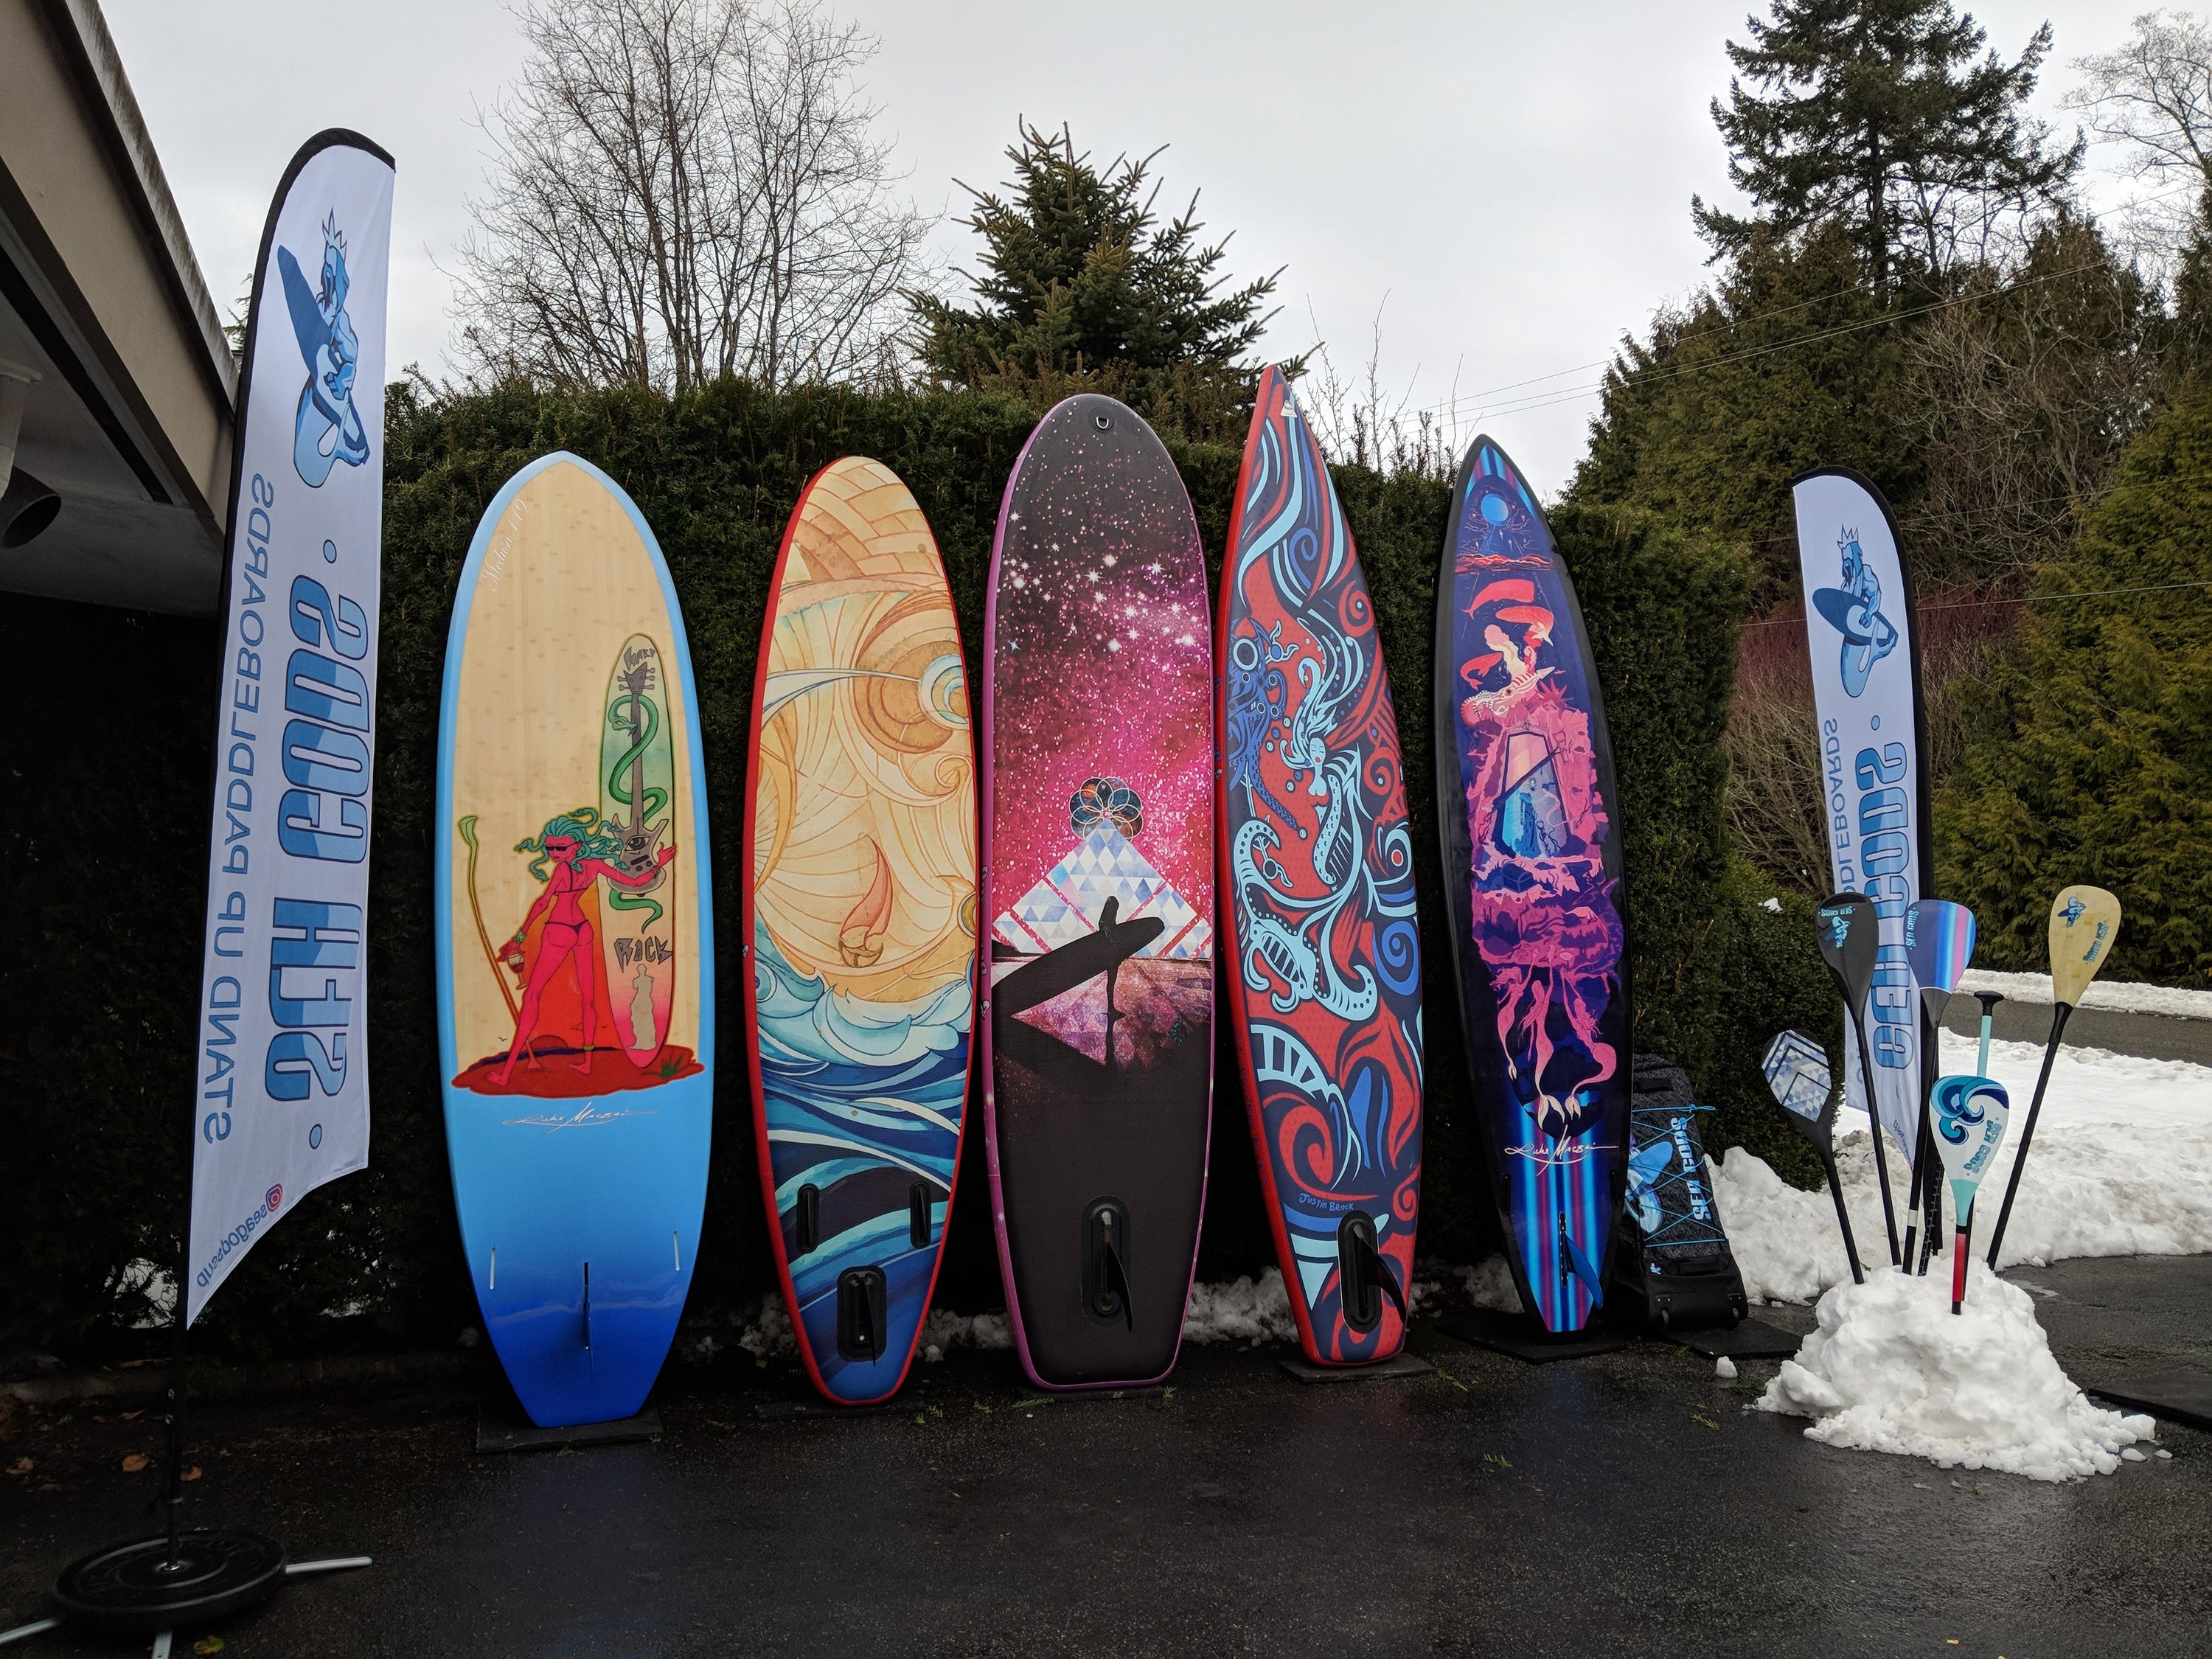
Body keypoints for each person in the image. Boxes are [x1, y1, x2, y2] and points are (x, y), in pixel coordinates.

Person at [496, 808, 673, 1085]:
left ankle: (506, 1073)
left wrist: (519, 937)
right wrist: (658, 863)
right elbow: (636, 882)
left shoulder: (563, 870)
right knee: (587, 999)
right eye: (550, 847)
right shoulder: (594, 865)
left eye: (560, 847)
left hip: (559, 931)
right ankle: (587, 1064)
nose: (554, 852)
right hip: (582, 930)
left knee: (532, 996)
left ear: (576, 845)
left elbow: (543, 903)